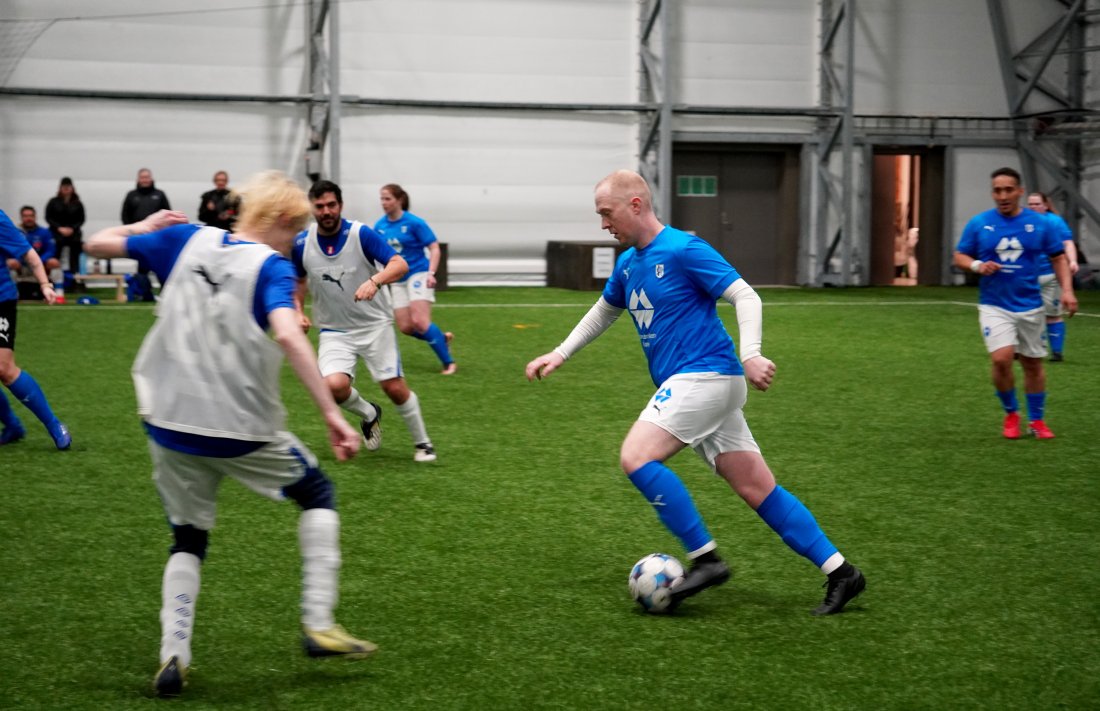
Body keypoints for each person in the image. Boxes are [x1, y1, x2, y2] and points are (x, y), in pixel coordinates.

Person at [84, 171, 376, 699]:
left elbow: (96, 242)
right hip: (239, 428)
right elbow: (288, 331)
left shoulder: (183, 237)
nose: (295, 243)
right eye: (296, 232)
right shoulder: (272, 267)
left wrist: (144, 223)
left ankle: (175, 653)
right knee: (316, 493)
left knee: (188, 537)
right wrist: (332, 416)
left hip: (167, 421)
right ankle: (317, 622)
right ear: (283, 221)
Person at [524, 170, 865, 615]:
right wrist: (561, 353)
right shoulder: (628, 264)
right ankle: (842, 573)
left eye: (606, 214)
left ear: (635, 205)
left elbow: (745, 296)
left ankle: (706, 559)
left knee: (636, 456)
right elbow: (603, 313)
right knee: (757, 488)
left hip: (705, 376)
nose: (603, 225)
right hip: (701, 386)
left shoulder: (684, 249)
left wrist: (752, 354)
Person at [294, 180, 438, 462]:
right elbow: (297, 282)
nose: (326, 211)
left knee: (394, 388)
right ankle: (369, 413)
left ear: (341, 206)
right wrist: (298, 309)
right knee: (333, 386)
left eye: (331, 205)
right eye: (320, 206)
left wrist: (375, 280)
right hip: (334, 330)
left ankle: (423, 444)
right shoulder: (301, 243)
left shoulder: (361, 234)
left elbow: (400, 264)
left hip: (374, 325)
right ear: (312, 208)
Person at [953, 168, 1077, 440]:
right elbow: (959, 255)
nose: (1003, 196)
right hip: (994, 305)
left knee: (1033, 364)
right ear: (992, 193)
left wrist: (1067, 291)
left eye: (1009, 190)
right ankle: (1011, 413)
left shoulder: (1041, 224)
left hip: (1031, 305)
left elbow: (1058, 258)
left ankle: (1037, 420)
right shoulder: (980, 223)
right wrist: (977, 265)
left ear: (1020, 191)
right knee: (1002, 359)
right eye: (997, 191)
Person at [0, 209, 71, 449]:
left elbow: (28, 253)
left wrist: (45, 284)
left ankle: (54, 425)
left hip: (1, 300)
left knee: (4, 368)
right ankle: (12, 426)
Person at [373, 183, 456, 374]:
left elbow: (434, 247)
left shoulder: (414, 222)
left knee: (420, 322)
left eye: (388, 198)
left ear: (399, 200)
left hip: (419, 272)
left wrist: (431, 273)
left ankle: (449, 362)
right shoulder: (379, 226)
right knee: (406, 327)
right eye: (381, 199)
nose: (383, 203)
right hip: (398, 278)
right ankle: (441, 339)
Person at [1026, 191, 1078, 362]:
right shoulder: (1023, 220)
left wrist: (1072, 261)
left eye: (1036, 204)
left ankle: (1057, 352)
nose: (1033, 207)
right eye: (1030, 204)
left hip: (1050, 275)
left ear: (1045, 205)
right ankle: (1027, 349)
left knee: (1053, 314)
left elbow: (1067, 242)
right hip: (1027, 276)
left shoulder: (1054, 221)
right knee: (1024, 314)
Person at [9, 207, 61, 293]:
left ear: (35, 217)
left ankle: (59, 293)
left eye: (31, 216)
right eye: (25, 216)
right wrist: (22, 261)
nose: (28, 218)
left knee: (54, 262)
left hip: (41, 265)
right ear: (21, 217)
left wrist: (38, 261)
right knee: (11, 263)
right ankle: (13, 293)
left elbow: (51, 250)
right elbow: (11, 250)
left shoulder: (44, 232)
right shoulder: (15, 232)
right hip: (22, 266)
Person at [44, 177, 86, 276]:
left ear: (72, 188)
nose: (66, 189)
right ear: (60, 188)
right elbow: (48, 217)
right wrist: (59, 228)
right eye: (64, 187)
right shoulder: (53, 202)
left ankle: (75, 276)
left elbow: (81, 219)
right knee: (55, 252)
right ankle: (54, 277)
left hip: (73, 233)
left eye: (68, 187)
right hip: (57, 232)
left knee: (75, 253)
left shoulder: (77, 203)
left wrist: (72, 228)